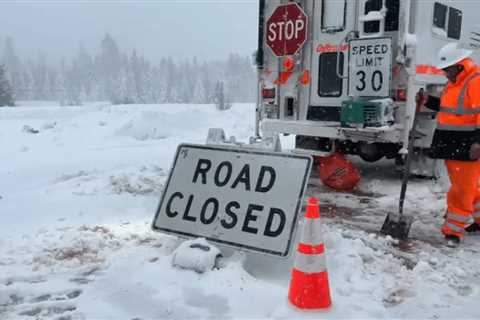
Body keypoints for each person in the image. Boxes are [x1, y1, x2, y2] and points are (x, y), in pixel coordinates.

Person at [417, 42, 480, 247]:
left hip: (467, 144)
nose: (444, 73)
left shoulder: (475, 81)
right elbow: (448, 108)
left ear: (460, 65)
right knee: (469, 186)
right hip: (452, 143)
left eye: (447, 68)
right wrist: (427, 100)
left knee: (461, 189)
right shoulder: (454, 82)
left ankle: (453, 231)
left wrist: (478, 143)